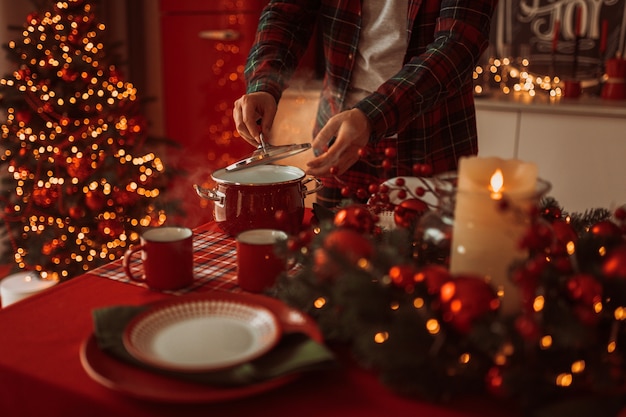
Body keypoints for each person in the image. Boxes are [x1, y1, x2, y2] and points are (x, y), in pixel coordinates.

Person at [234, 0, 498, 207]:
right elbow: (287, 13)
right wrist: (263, 84)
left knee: (428, 266)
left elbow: (459, 44)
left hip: (432, 142)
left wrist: (370, 116)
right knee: (332, 266)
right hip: (339, 142)